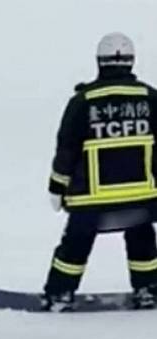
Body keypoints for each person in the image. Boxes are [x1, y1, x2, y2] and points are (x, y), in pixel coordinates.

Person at [44, 32, 157, 311]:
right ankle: (148, 289)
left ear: (100, 62)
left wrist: (57, 188)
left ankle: (60, 294)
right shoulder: (150, 98)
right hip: (140, 193)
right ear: (131, 62)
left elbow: (67, 150)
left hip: (90, 197)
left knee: (75, 245)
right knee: (142, 240)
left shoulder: (83, 102)